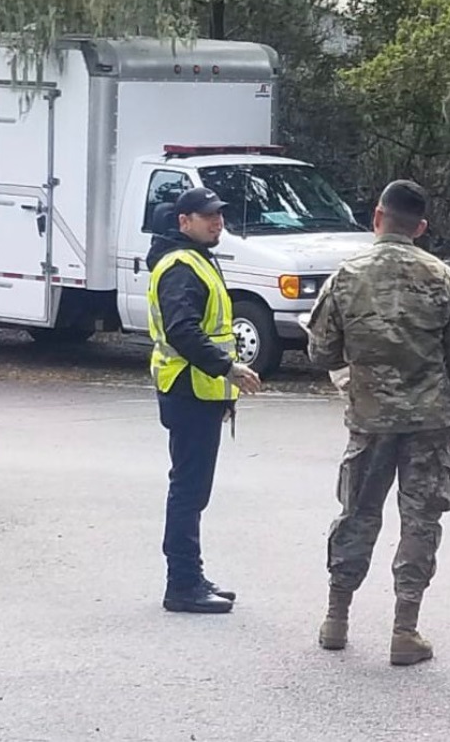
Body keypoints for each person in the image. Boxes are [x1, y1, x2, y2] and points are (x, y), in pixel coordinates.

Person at [306, 179, 450, 666]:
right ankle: (404, 630)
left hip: (369, 420)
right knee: (420, 520)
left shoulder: (346, 276)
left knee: (357, 514)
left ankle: (336, 619)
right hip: (429, 424)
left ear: (376, 218)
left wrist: (358, 372)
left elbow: (319, 349)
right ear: (421, 227)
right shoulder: (444, 279)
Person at [146, 187, 262, 615]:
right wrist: (227, 368)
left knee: (192, 489)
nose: (217, 222)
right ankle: (182, 583)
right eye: (207, 216)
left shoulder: (194, 258)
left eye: (219, 215)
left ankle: (190, 576)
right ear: (183, 222)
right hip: (189, 388)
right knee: (189, 490)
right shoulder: (180, 266)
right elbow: (183, 331)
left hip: (199, 390)